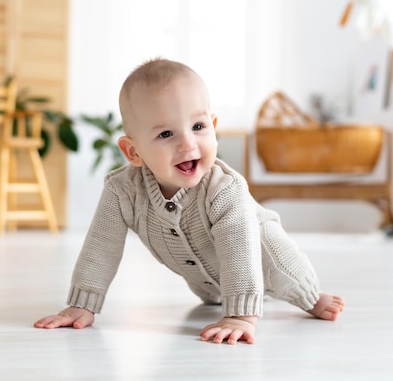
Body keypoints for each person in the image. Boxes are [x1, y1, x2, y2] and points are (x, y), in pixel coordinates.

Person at [34, 58, 344, 344]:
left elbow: (239, 252)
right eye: (166, 133)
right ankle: (232, 297)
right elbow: (101, 247)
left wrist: (241, 316)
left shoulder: (225, 189)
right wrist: (82, 304)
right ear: (133, 152)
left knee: (287, 273)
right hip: (207, 282)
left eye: (198, 127)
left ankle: (312, 297)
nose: (187, 143)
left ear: (214, 126)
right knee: (214, 296)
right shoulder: (121, 191)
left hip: (261, 256)